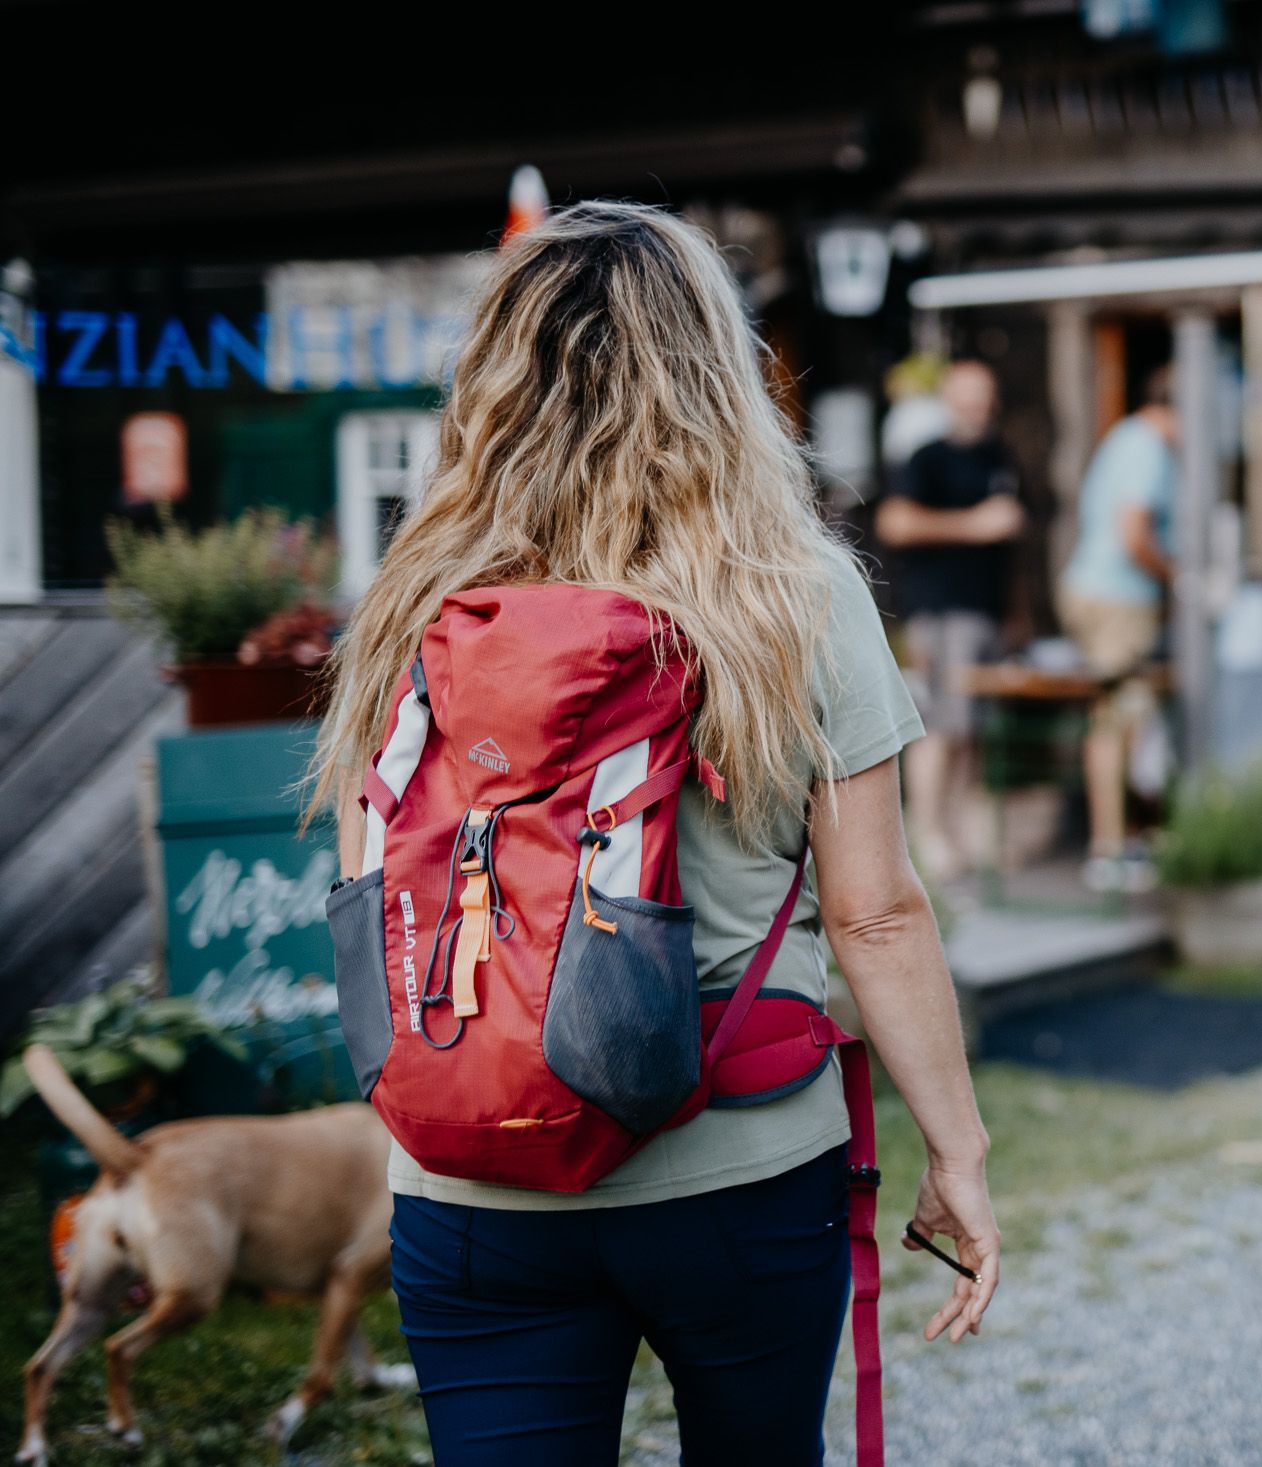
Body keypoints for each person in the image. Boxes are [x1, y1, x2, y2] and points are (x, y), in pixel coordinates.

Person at [305, 201, 999, 1466]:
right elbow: (875, 910)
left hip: (471, 1181)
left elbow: (375, 870)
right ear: (713, 372)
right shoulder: (794, 586)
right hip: (737, 1168)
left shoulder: (418, 583)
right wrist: (957, 1148)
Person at [874, 359, 1025, 883]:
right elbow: (894, 522)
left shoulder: (999, 456)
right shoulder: (927, 458)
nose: (975, 405)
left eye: (983, 394)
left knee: (970, 730)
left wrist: (1014, 614)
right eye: (965, 395)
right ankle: (925, 836)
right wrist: (973, 526)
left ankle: (958, 835)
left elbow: (1010, 546)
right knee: (938, 726)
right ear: (947, 399)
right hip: (938, 611)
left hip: (985, 613)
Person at [1059, 361, 1177, 893]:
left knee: (1127, 717)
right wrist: (1181, 577)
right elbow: (1133, 534)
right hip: (1118, 599)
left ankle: (1124, 839)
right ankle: (1109, 850)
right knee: (1118, 718)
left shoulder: (1127, 438)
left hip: (1098, 591)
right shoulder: (1147, 448)